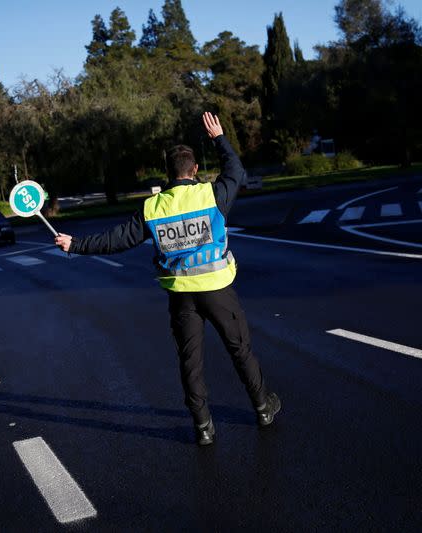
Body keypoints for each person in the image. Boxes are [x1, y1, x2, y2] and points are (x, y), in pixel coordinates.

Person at [54, 112, 280, 446]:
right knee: (239, 349)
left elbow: (118, 238)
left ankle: (203, 427)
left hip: (180, 296)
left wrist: (77, 244)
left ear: (168, 174)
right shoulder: (211, 196)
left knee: (191, 361)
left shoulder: (152, 208)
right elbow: (236, 171)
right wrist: (219, 138)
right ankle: (262, 406)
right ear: (195, 170)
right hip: (217, 289)